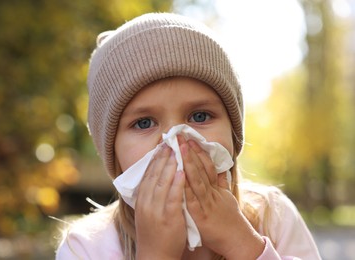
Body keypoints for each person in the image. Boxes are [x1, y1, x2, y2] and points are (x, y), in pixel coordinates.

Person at [56, 12, 321, 260]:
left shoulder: (273, 217)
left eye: (200, 116)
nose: (176, 141)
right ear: (112, 152)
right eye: (144, 122)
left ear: (233, 134)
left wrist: (242, 244)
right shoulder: (86, 247)